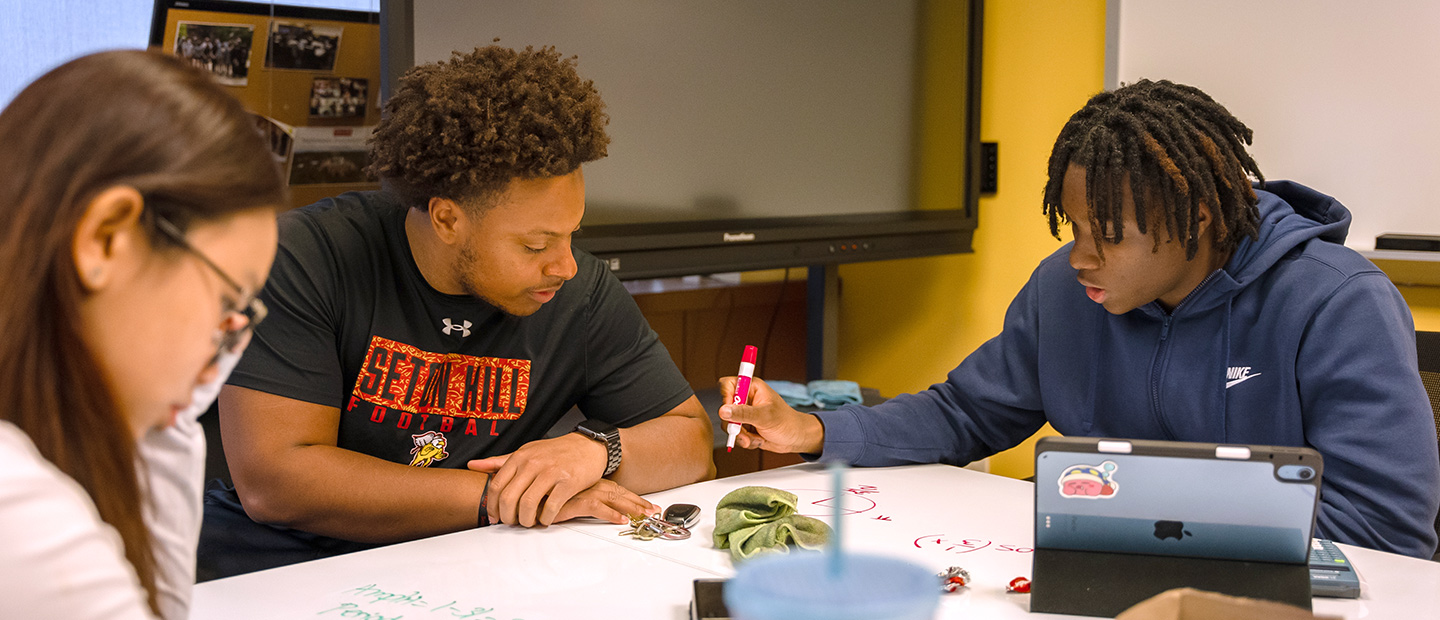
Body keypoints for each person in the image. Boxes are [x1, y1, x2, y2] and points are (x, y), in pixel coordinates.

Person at [719, 79, 1440, 559]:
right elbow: (965, 414)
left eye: (1110, 234)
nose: (1081, 257)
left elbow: (1385, 530)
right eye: (1073, 226)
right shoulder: (1066, 292)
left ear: (1196, 217)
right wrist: (815, 429)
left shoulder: (1338, 302)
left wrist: (1147, 516)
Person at [199, 45, 715, 579]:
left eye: (571, 234)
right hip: (272, 569)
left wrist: (597, 453)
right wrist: (501, 495)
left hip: (462, 565)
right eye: (536, 245)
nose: (564, 265)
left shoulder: (576, 293)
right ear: (447, 220)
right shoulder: (303, 258)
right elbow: (276, 481)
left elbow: (691, 442)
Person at [0, 50, 286, 618]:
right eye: (228, 304)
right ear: (106, 238)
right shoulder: (21, 520)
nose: (218, 365)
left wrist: (166, 422)